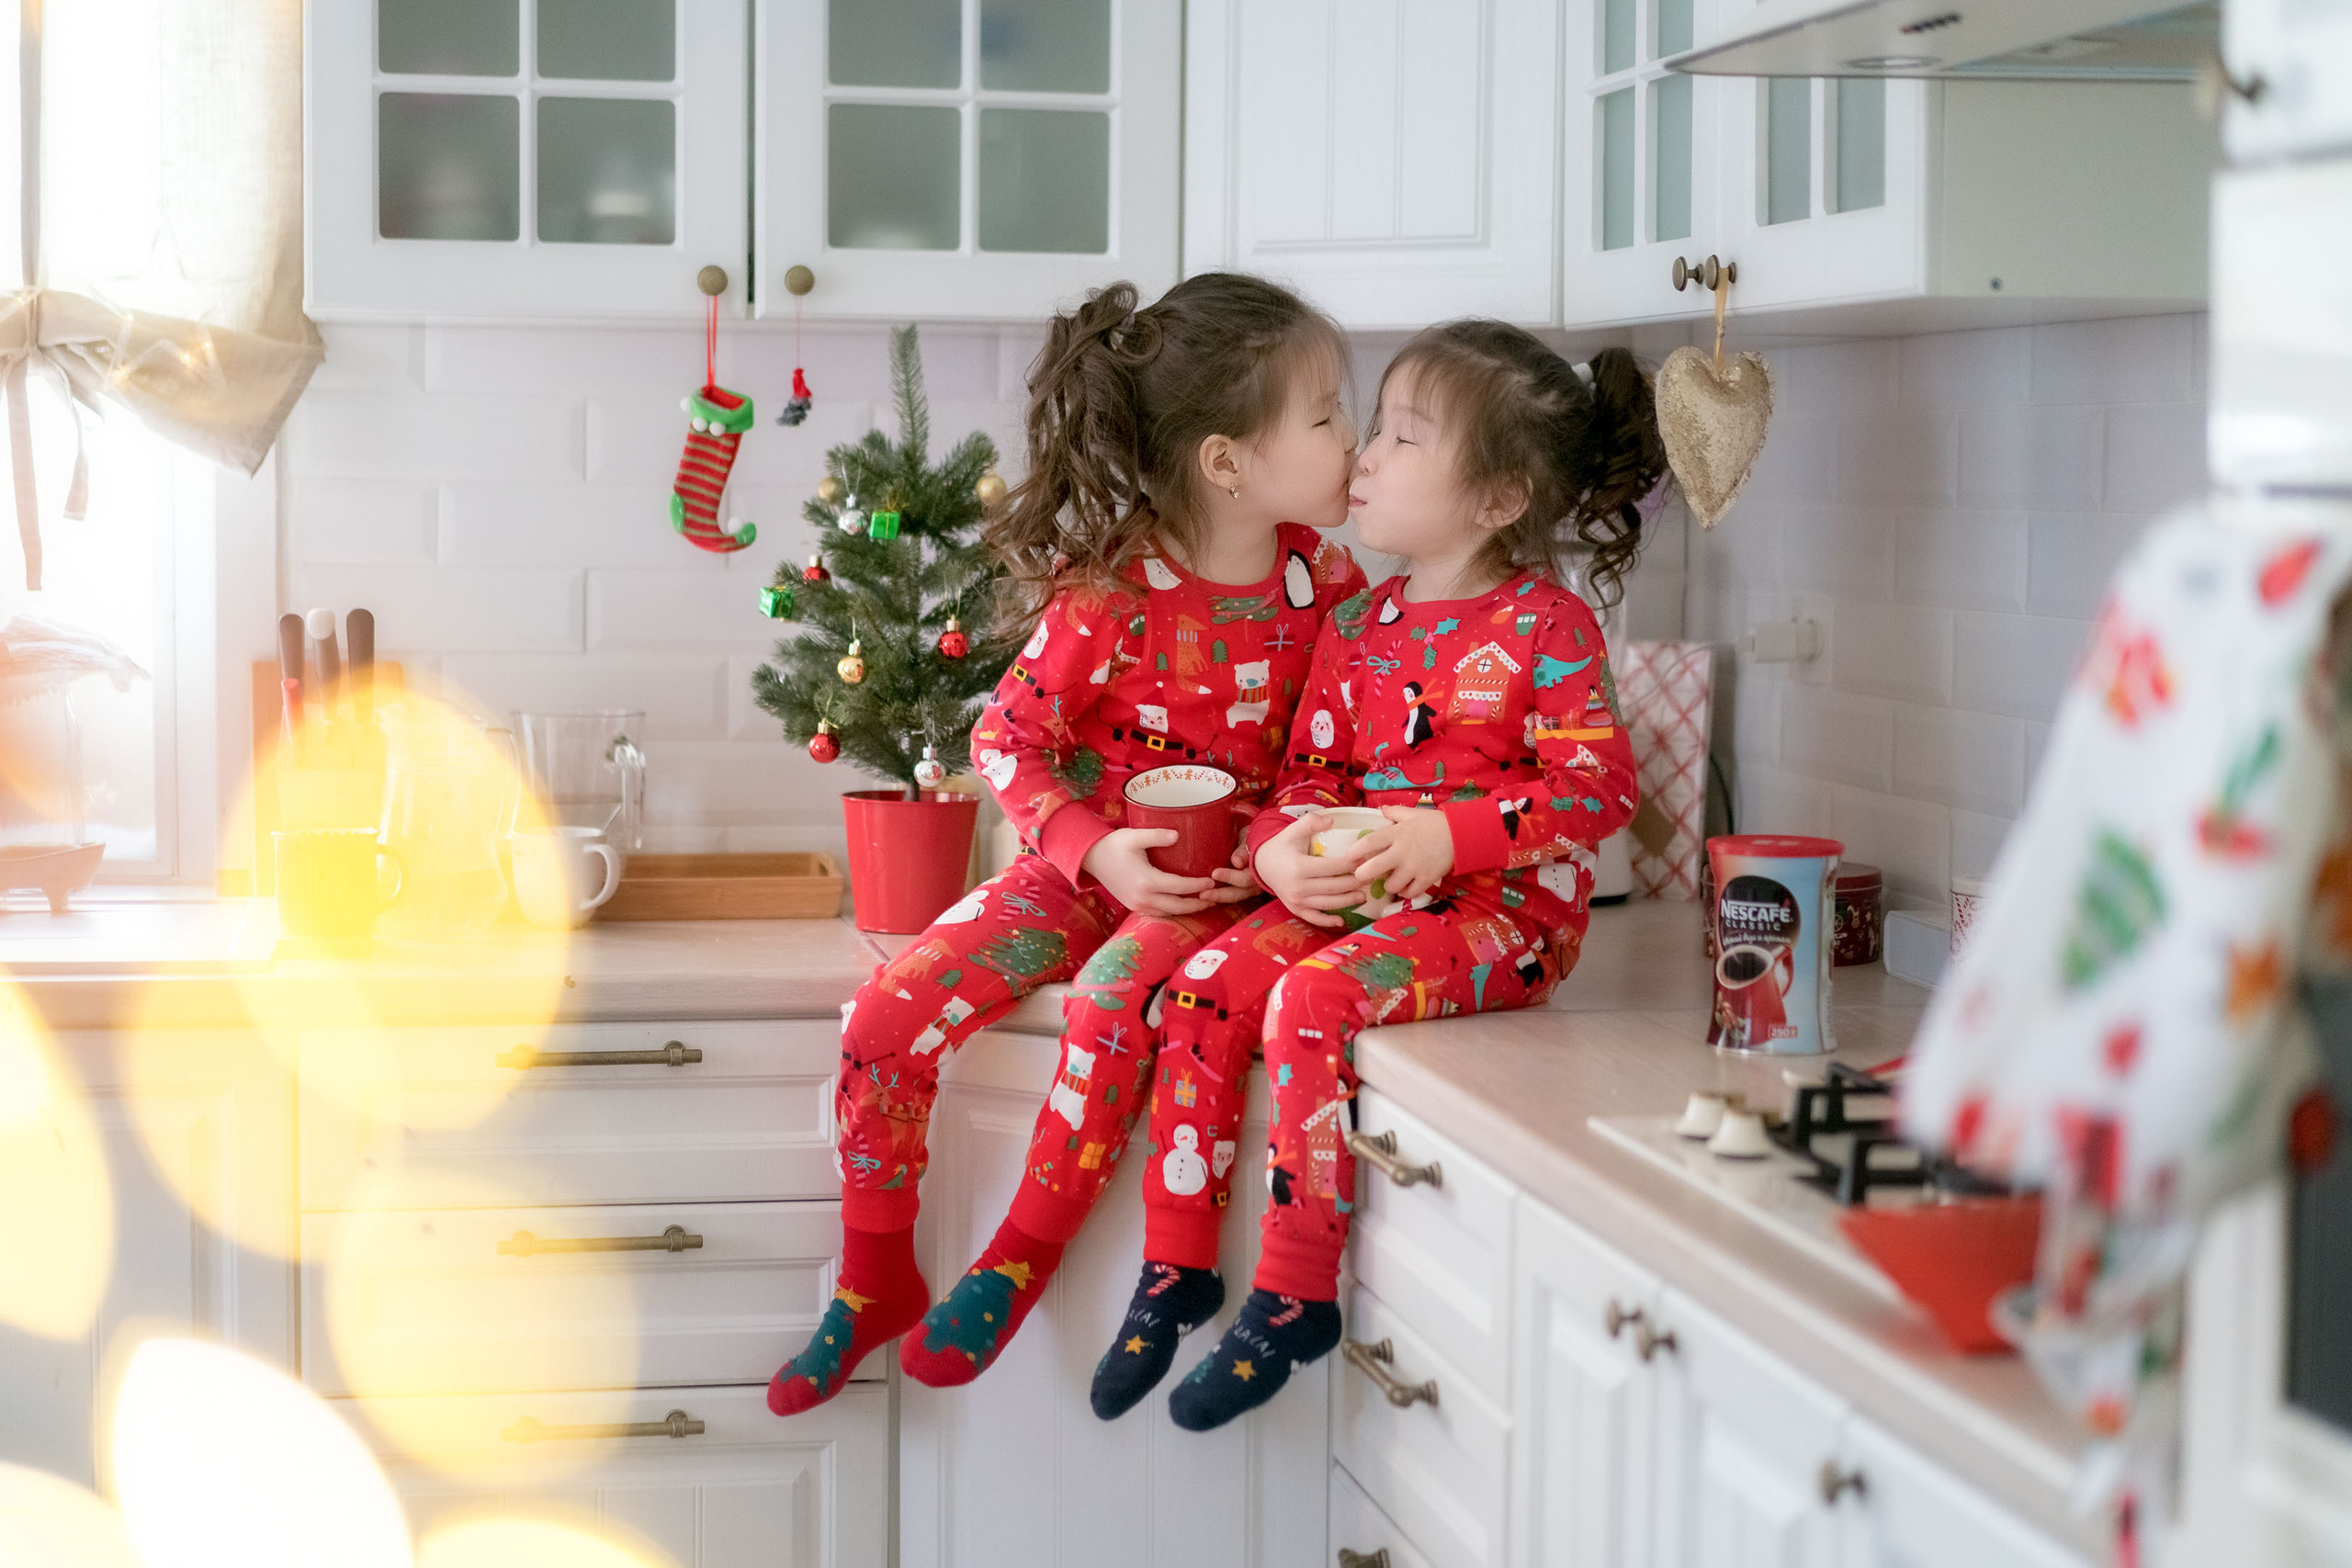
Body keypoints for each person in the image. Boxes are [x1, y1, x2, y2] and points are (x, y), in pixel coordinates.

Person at [770, 273, 1369, 1415]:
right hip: (1073, 877)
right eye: (1328, 412)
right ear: (1227, 461)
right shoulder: (1111, 590)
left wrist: (1282, 845)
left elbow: (1335, 750)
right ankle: (871, 1277)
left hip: (1214, 901)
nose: (1351, 435)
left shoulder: (1325, 581)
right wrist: (1094, 851)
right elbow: (1005, 737)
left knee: (1105, 1021)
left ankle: (1017, 1259)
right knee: (883, 1018)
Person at [1088, 321, 1665, 1429]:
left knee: (1306, 998)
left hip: (1506, 914)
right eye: (1376, 426)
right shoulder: (1358, 624)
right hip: (1370, 902)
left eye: (1403, 437)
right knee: (1206, 982)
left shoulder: (1547, 626)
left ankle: (1295, 1291)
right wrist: (1279, 855)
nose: (1367, 454)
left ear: (1497, 500)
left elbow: (1599, 794)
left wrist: (1449, 840)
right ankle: (1175, 1267)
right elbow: (1310, 776)